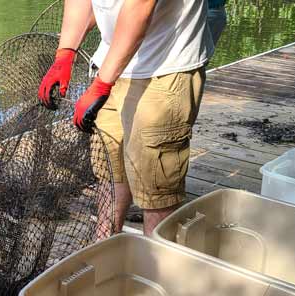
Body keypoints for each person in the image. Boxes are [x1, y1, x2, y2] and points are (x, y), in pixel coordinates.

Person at [39, 0, 214, 236]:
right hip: (112, 64)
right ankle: (106, 245)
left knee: (156, 187)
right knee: (111, 170)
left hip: (164, 69)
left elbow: (139, 6)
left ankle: (154, 266)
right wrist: (65, 53)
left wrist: (101, 84)